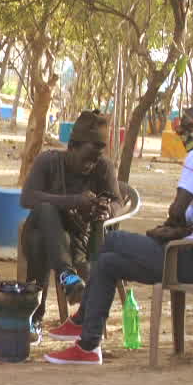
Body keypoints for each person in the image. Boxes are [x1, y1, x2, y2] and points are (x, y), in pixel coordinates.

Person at [46, 105, 193, 364]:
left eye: (190, 131)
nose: (186, 137)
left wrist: (172, 222)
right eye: (184, 131)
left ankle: (81, 321)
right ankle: (88, 346)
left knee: (110, 240)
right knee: (107, 264)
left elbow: (177, 209)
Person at [18, 108, 118, 307]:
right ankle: (67, 275)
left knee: (41, 243)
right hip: (43, 229)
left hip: (80, 240)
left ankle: (34, 315)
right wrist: (75, 200)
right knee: (46, 211)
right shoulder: (48, 161)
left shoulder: (103, 167)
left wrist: (107, 209)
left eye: (95, 159)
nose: (91, 164)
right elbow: (27, 198)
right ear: (71, 146)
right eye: (87, 158)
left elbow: (118, 202)